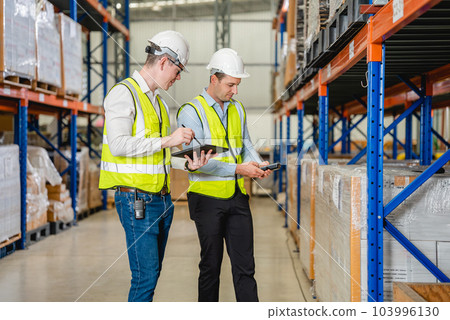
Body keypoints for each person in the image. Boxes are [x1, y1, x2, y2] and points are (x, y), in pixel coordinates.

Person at [99, 30, 213, 302]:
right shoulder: (123, 94)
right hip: (136, 201)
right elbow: (119, 145)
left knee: (153, 273)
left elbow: (158, 155)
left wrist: (190, 163)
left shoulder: (159, 104)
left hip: (161, 201)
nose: (178, 77)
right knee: (145, 277)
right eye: (178, 70)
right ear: (163, 62)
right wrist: (168, 140)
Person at [177, 48, 272, 302]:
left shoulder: (237, 109)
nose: (235, 91)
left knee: (245, 268)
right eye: (231, 84)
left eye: (237, 84)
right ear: (214, 79)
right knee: (210, 267)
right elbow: (197, 162)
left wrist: (257, 163)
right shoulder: (191, 112)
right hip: (206, 199)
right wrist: (240, 169)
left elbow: (245, 144)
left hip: (237, 197)